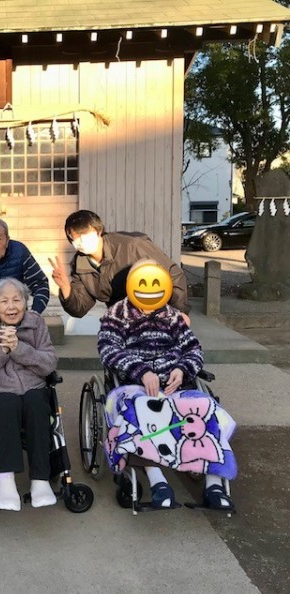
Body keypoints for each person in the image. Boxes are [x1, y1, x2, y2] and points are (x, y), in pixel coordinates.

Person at [97, 260, 236, 510]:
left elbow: (193, 349)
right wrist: (141, 372)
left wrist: (182, 370)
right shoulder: (116, 314)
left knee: (207, 410)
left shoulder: (172, 316)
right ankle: (158, 482)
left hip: (175, 385)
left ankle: (214, 485)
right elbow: (108, 350)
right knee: (142, 413)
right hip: (135, 385)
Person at [0, 277, 58, 511]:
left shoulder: (36, 324)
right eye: (4, 301)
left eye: (17, 300)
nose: (11, 306)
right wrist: (2, 350)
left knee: (36, 402)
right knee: (8, 403)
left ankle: (40, 480)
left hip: (32, 388)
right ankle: (6, 482)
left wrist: (19, 348)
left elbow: (49, 363)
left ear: (26, 303)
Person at [49, 209, 190, 321]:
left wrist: (179, 312)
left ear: (98, 230)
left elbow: (173, 273)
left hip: (157, 314)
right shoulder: (80, 263)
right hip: (122, 322)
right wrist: (65, 287)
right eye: (74, 238)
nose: (80, 241)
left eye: (84, 234)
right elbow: (80, 308)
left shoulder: (132, 246)